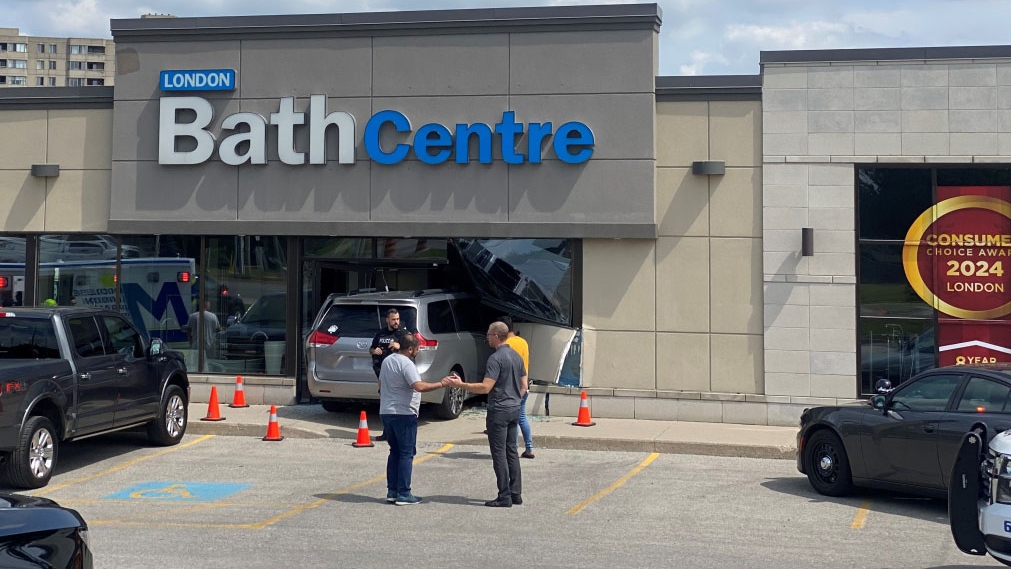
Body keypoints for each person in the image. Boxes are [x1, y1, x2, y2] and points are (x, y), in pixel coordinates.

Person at [447, 321, 527, 507]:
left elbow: (485, 387)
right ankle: (516, 492)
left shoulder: (495, 359)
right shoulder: (516, 356)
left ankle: (504, 495)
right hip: (514, 408)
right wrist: (514, 399)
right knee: (511, 451)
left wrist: (461, 385)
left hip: (498, 410)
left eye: (489, 334)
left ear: (497, 336)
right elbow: (524, 386)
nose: (487, 338)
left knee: (498, 453)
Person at [379, 333, 453, 506]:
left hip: (386, 411)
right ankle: (404, 493)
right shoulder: (407, 363)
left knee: (395, 451)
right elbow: (418, 386)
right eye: (418, 348)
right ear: (410, 349)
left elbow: (381, 384)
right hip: (404, 413)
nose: (418, 351)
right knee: (406, 453)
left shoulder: (387, 360)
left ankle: (392, 491)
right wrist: (442, 384)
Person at [370, 308, 414, 441]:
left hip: (397, 373)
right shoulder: (381, 333)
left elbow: (412, 351)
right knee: (385, 401)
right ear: (387, 320)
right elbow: (371, 348)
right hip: (382, 371)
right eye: (393, 319)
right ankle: (387, 432)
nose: (396, 322)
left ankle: (398, 431)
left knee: (397, 402)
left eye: (398, 319)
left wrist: (399, 346)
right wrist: (374, 350)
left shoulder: (404, 334)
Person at [500, 316, 534, 459]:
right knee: (521, 417)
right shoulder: (523, 342)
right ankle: (529, 448)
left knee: (512, 420)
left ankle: (511, 450)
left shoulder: (506, 344)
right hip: (524, 384)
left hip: (511, 387)